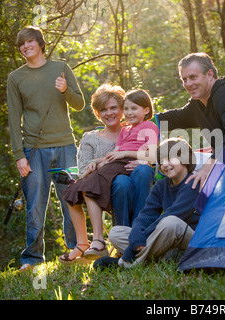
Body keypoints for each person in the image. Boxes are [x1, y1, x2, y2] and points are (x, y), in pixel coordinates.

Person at [7, 26, 85, 271]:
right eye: (22, 43)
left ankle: (77, 249)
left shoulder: (61, 68)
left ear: (41, 44)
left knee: (71, 200)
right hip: (33, 150)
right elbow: (13, 118)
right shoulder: (15, 78)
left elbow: (80, 104)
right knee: (35, 205)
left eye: (30, 41)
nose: (26, 46)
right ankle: (32, 259)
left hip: (65, 146)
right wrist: (19, 155)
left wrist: (65, 90)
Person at [59, 89, 159, 264]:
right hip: (109, 185)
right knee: (116, 182)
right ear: (98, 113)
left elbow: (153, 153)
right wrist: (97, 162)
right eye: (104, 109)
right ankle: (113, 244)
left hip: (133, 174)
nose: (111, 112)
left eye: (115, 108)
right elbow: (113, 154)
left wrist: (144, 161)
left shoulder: (147, 127)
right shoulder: (123, 132)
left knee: (136, 174)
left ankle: (138, 233)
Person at [93, 137, 200, 269]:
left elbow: (174, 215)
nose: (165, 165)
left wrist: (132, 247)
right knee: (116, 232)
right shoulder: (161, 185)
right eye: (161, 161)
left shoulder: (194, 182)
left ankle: (126, 264)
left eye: (170, 159)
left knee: (170, 222)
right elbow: (146, 214)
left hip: (192, 238)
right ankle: (161, 255)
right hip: (164, 238)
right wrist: (137, 234)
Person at [157, 52, 225, 190]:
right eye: (184, 79)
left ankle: (188, 210)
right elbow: (173, 119)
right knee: (174, 163)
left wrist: (209, 166)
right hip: (224, 160)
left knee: (189, 174)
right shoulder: (198, 104)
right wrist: (136, 120)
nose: (188, 84)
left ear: (209, 75)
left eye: (193, 77)